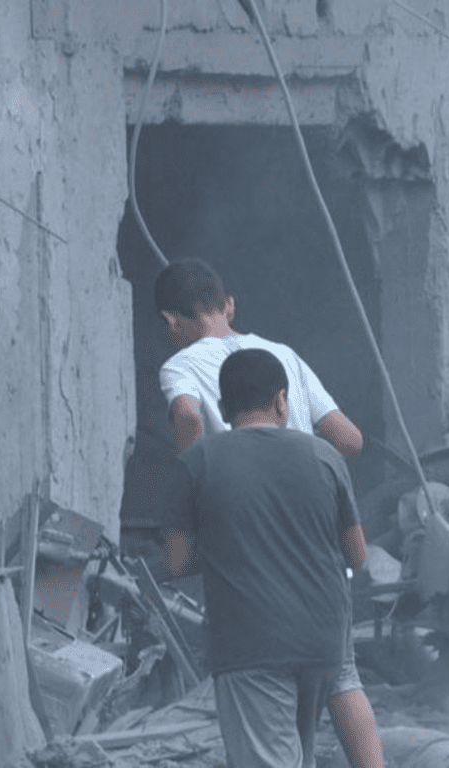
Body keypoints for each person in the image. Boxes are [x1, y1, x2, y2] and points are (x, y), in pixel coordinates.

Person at [155, 259, 383, 768]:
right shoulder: (287, 364)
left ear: (171, 321)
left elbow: (189, 416)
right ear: (229, 305)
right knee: (342, 680)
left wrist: (198, 474)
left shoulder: (187, 384)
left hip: (251, 605)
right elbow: (351, 440)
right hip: (323, 592)